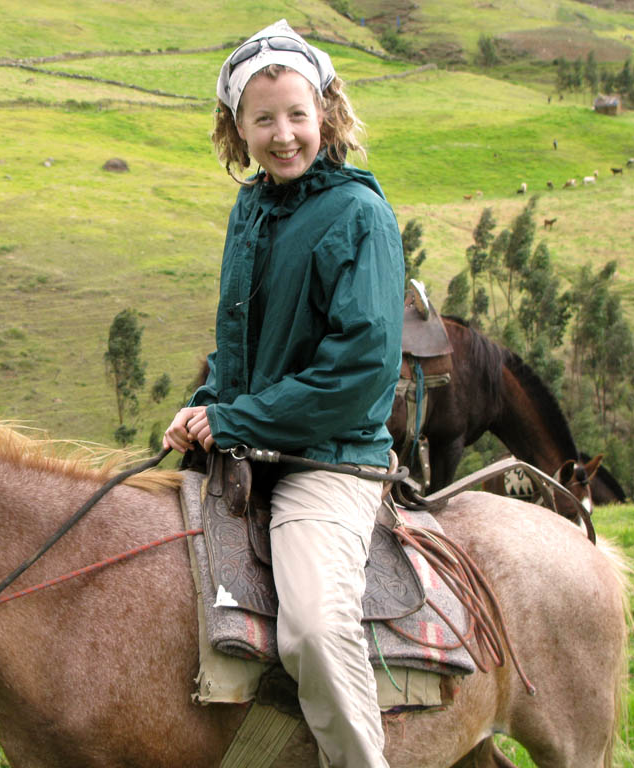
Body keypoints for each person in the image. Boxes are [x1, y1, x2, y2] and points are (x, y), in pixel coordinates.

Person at [163, 19, 403, 768]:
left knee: (315, 631)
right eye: (262, 119)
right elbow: (241, 343)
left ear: (325, 113)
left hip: (328, 460)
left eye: (297, 114)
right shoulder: (252, 210)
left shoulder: (361, 215)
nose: (284, 134)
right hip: (249, 441)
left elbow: (359, 375)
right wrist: (204, 402)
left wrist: (231, 417)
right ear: (236, 129)